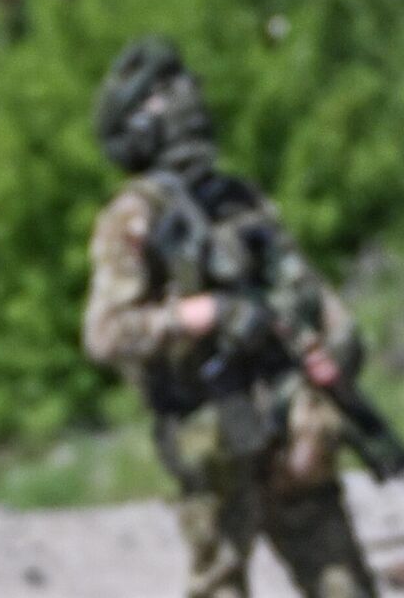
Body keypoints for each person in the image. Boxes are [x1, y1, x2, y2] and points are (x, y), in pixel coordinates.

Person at [83, 38, 378, 598]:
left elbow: (307, 292)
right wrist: (198, 314)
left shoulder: (237, 198)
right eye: (164, 93)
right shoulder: (133, 216)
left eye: (181, 84)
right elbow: (105, 333)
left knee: (345, 585)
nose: (187, 98)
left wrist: (331, 349)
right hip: (212, 435)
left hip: (291, 429)